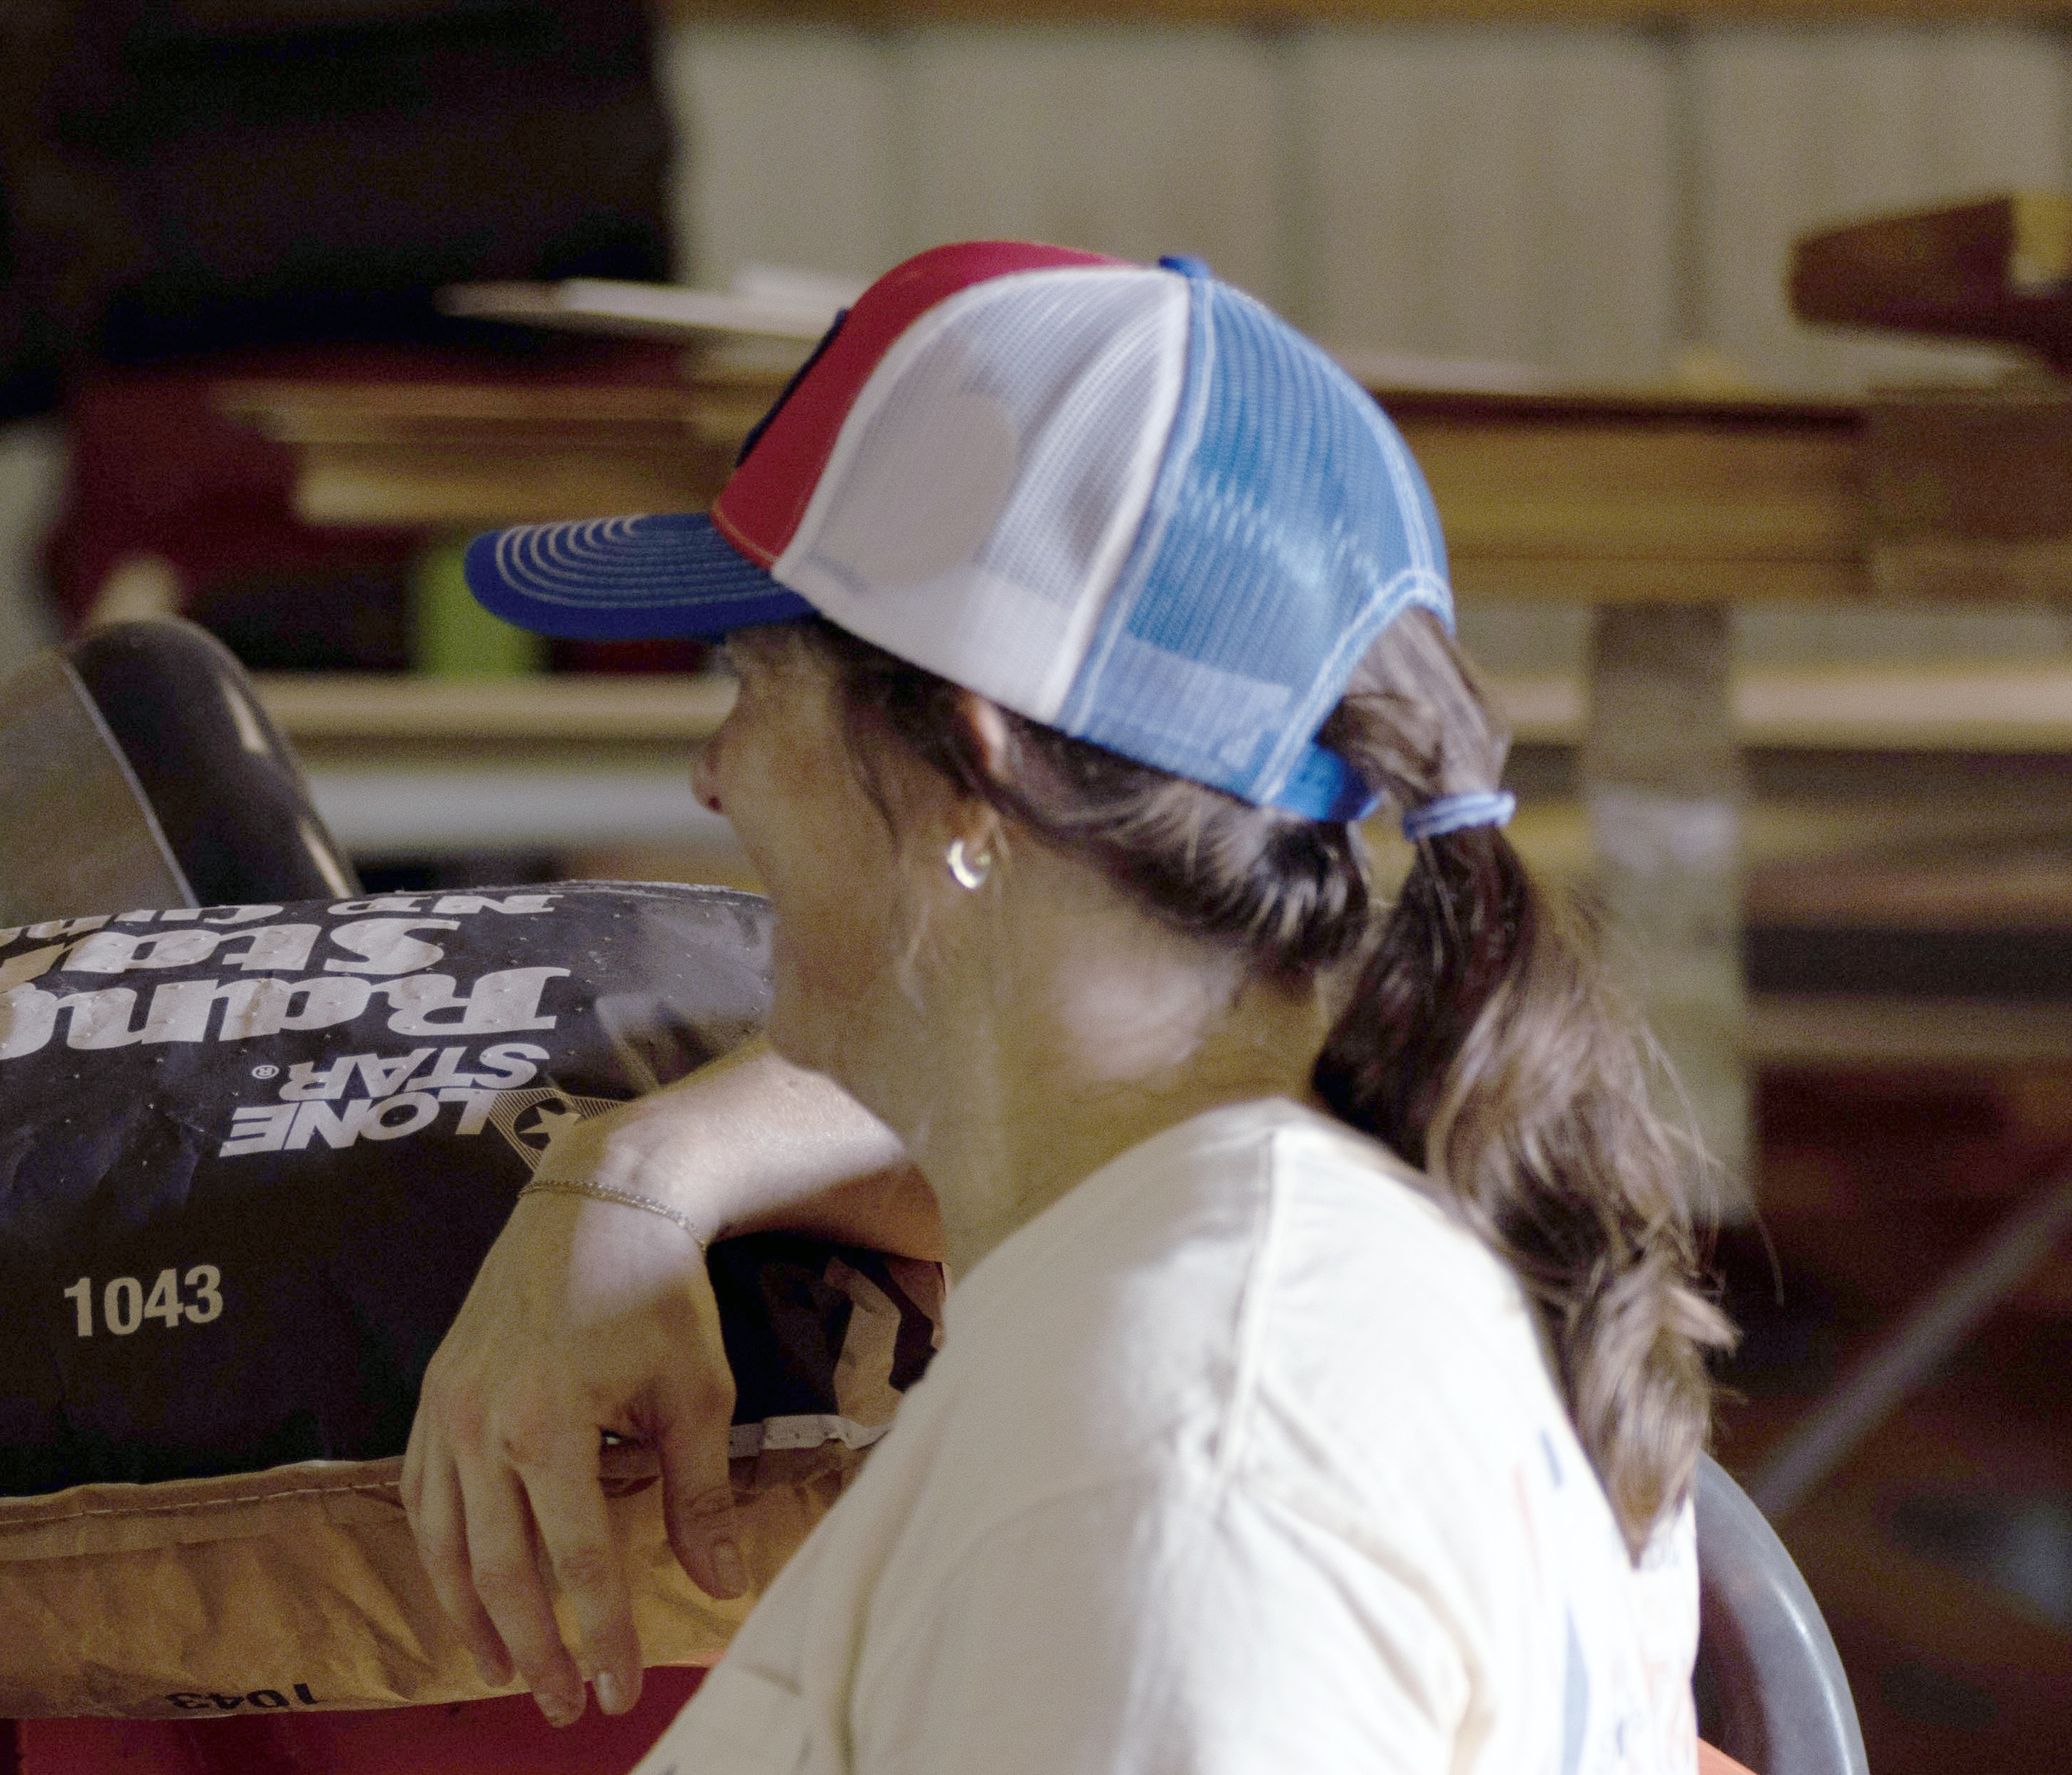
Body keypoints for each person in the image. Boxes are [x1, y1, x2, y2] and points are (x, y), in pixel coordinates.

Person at [400, 240, 1733, 1769]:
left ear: (973, 768)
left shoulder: (1185, 1443)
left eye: (750, 686)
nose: (710, 773)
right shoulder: (1241, 1284)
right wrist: (638, 1172)